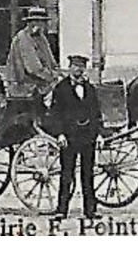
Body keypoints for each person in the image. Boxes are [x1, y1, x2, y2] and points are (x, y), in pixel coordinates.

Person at [47, 54, 102, 220]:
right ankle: (61, 210)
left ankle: (90, 210)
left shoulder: (90, 89)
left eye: (81, 66)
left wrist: (98, 134)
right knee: (67, 174)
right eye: (75, 66)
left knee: (88, 174)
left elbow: (96, 112)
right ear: (70, 67)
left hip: (87, 137)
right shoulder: (61, 88)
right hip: (69, 137)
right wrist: (60, 134)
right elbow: (55, 114)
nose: (78, 69)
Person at [7, 7, 59, 102]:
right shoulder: (23, 38)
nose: (41, 25)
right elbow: (33, 68)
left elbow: (51, 62)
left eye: (43, 22)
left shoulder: (41, 38)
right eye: (37, 21)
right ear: (30, 23)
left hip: (40, 87)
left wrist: (59, 74)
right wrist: (53, 78)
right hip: (25, 90)